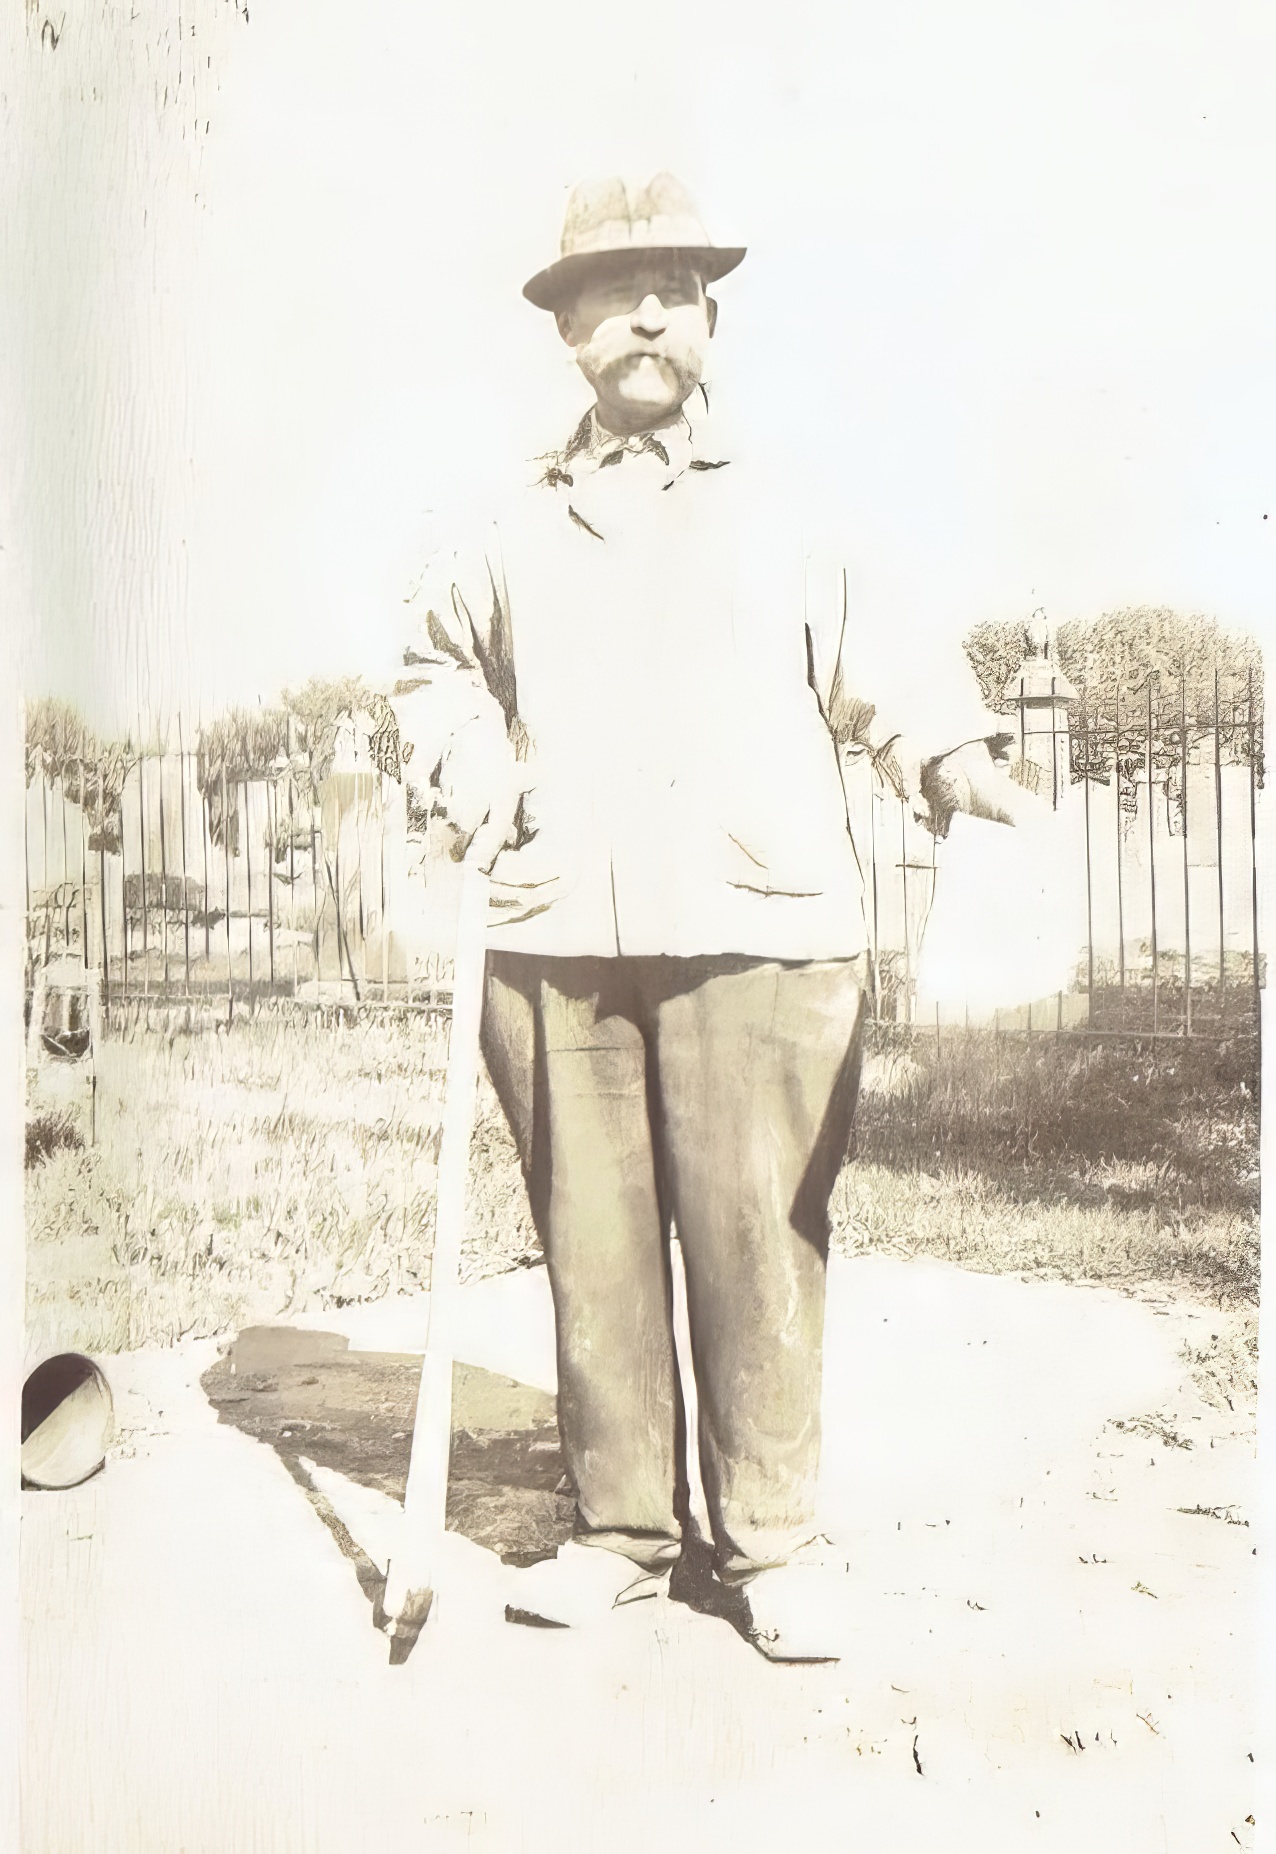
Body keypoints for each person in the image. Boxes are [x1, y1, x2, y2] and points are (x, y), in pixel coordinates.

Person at [389, 173, 1035, 1661]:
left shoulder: (796, 508)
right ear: (565, 332)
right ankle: (620, 1527)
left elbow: (894, 671)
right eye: (610, 294)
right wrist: (473, 758)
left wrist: (962, 766)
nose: (644, 317)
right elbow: (430, 674)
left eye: (673, 288)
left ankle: (772, 1544)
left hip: (763, 926)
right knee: (592, 1241)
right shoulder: (504, 521)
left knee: (758, 1236)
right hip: (557, 936)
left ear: (711, 319)